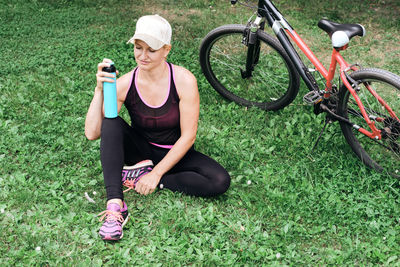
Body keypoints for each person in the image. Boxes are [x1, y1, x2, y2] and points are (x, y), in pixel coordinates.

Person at [84, 14, 230, 241]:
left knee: (220, 181)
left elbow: (189, 137)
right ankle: (115, 205)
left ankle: (142, 177)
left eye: (151, 50)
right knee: (111, 121)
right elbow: (92, 133)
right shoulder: (125, 83)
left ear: (166, 49)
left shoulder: (183, 80)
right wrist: (99, 91)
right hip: (141, 151)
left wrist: (156, 175)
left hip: (175, 152)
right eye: (138, 48)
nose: (142, 56)